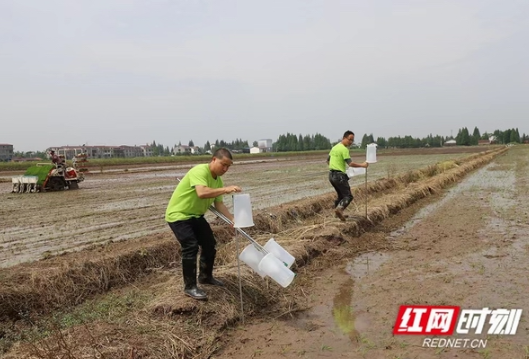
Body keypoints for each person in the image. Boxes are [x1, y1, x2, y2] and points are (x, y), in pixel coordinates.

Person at [165, 148, 242, 300]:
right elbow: (202, 193)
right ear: (214, 160)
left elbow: (219, 205)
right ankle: (190, 287)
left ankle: (206, 277)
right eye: (223, 164)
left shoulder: (218, 180)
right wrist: (225, 189)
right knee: (191, 246)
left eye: (228, 166)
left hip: (195, 216)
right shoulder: (199, 171)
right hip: (179, 215)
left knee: (209, 244)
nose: (225, 169)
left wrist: (232, 218)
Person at [327, 131, 369, 221]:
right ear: (344, 138)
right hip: (339, 176)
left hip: (331, 175)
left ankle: (337, 215)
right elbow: (351, 163)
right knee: (348, 196)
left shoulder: (334, 147)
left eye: (352, 140)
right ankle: (339, 210)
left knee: (340, 196)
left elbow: (328, 161)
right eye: (350, 140)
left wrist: (334, 167)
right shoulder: (344, 149)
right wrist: (363, 165)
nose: (351, 142)